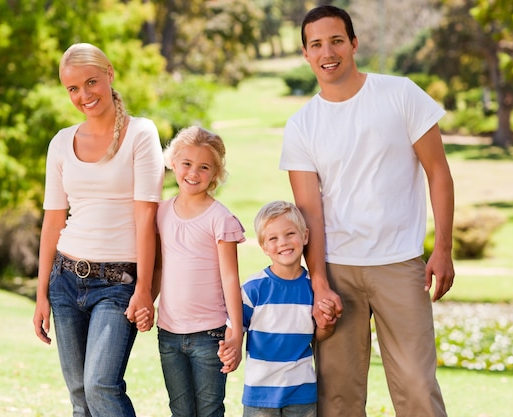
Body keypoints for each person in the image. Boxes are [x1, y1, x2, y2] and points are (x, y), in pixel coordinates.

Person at [279, 5, 455, 417]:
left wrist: (443, 248)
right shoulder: (302, 125)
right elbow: (310, 214)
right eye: (317, 44)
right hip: (338, 269)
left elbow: (439, 174)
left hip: (400, 265)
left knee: (417, 387)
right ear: (306, 54)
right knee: (337, 397)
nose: (328, 51)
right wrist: (319, 283)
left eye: (337, 40)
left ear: (354, 43)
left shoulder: (401, 94)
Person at [32, 42, 164, 417]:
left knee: (101, 386)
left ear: (109, 74)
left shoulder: (141, 134)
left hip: (118, 283)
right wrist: (41, 294)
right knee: (79, 395)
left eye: (91, 82)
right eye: (73, 88)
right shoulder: (60, 142)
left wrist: (144, 290)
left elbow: (146, 218)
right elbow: (53, 222)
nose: (83, 95)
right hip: (65, 279)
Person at [153, 126, 245, 417]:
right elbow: (157, 266)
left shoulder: (220, 218)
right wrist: (144, 299)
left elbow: (231, 278)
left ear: (215, 173)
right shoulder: (160, 212)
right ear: (173, 163)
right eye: (187, 164)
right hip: (168, 333)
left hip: (210, 335)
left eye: (204, 167)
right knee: (180, 410)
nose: (193, 172)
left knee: (209, 410)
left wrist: (236, 331)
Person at [218, 200, 336, 417]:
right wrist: (232, 349)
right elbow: (235, 327)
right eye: (273, 238)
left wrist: (326, 325)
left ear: (305, 236)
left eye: (290, 234)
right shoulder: (254, 289)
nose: (283, 242)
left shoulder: (313, 289)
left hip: (301, 392)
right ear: (263, 247)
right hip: (260, 394)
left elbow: (317, 335)